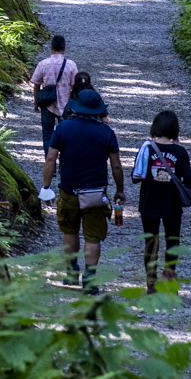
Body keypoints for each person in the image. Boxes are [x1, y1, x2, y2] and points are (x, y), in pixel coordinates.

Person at [41, 87, 124, 289]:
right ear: (98, 110)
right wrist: (120, 190)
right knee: (93, 236)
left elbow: (51, 159)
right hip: (95, 194)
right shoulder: (106, 132)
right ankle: (90, 280)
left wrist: (46, 187)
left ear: (76, 108)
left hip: (68, 190)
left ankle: (70, 274)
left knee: (69, 231)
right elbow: (115, 165)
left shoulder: (62, 128)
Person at [130, 109, 191, 289]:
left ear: (155, 127)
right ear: (175, 129)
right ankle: (169, 277)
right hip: (172, 205)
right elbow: (189, 181)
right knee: (172, 241)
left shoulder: (146, 149)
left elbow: (135, 178)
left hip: (148, 203)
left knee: (151, 242)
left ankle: (151, 281)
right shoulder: (180, 152)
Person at [30, 35, 76, 155]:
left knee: (47, 135)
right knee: (65, 135)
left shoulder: (43, 64)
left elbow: (36, 85)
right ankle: (63, 163)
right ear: (64, 49)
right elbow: (74, 86)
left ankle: (50, 164)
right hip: (66, 104)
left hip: (47, 103)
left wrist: (36, 102)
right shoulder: (71, 65)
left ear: (51, 48)